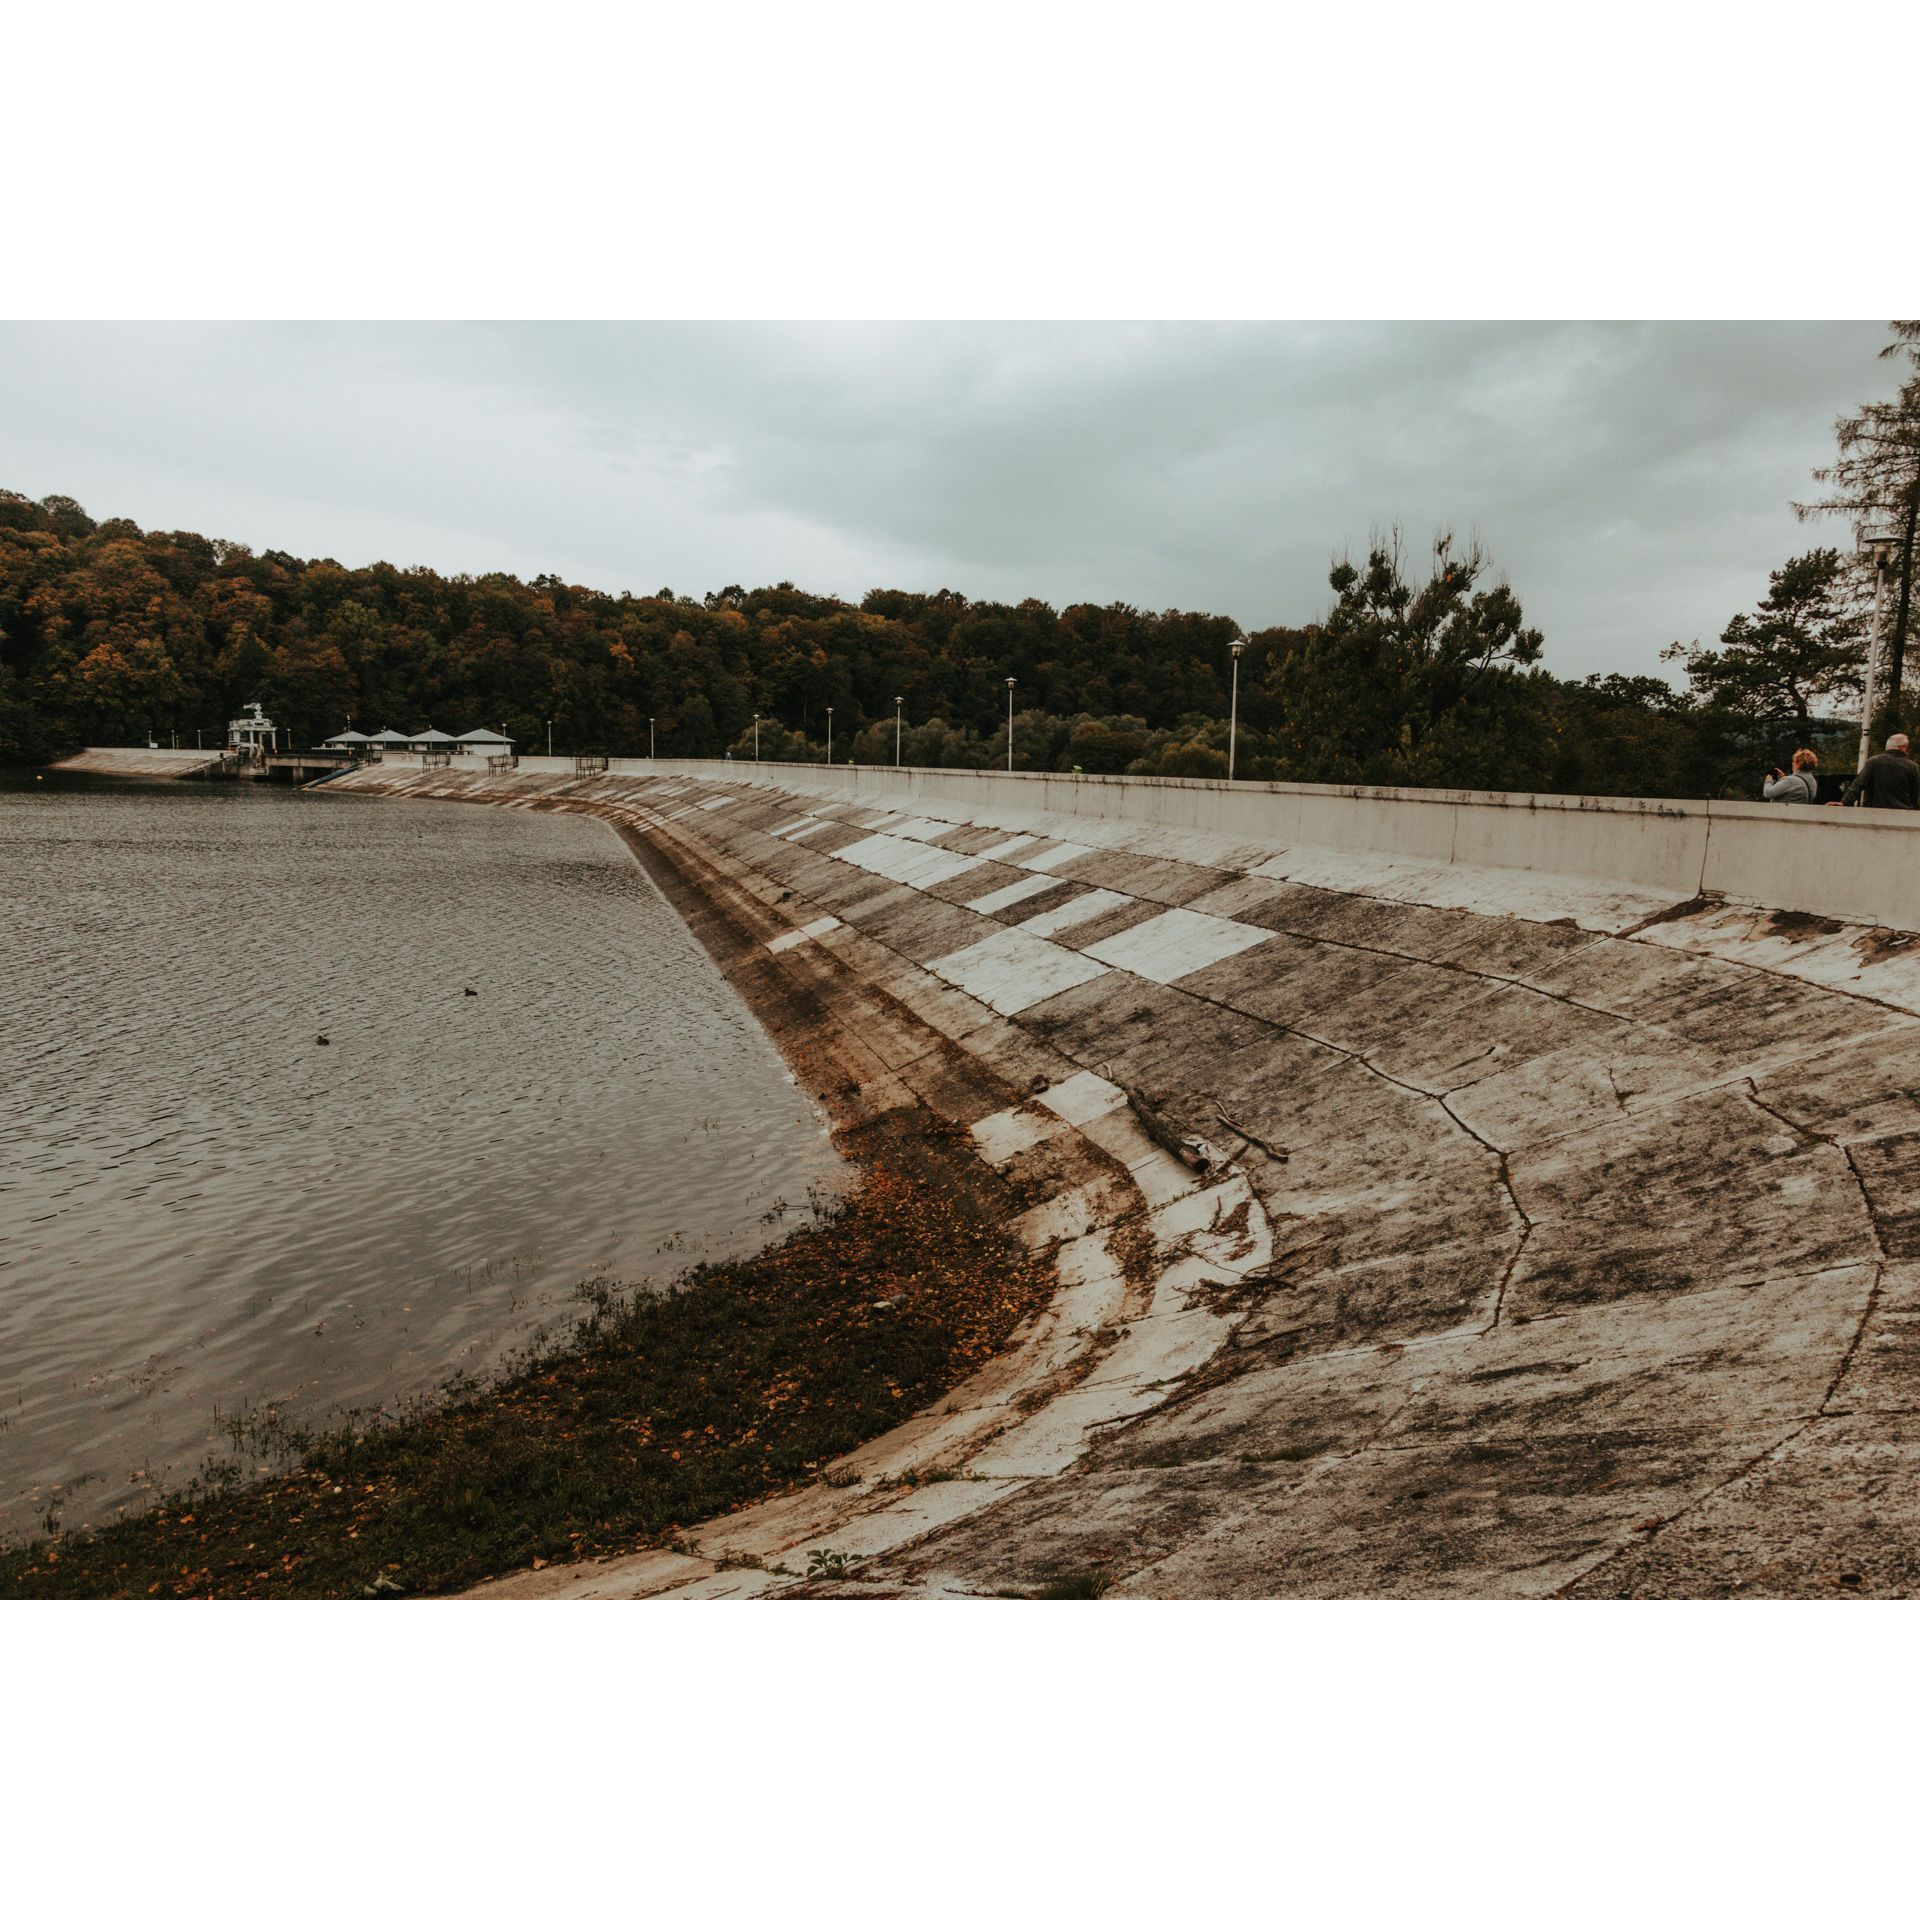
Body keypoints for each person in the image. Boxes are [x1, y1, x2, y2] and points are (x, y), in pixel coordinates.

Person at [1829, 733, 1920, 809]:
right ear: (1901, 747)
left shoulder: (1873, 762)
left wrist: (1844, 802)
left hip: (1876, 813)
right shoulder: (1912, 766)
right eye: (1907, 747)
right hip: (1902, 813)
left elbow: (1858, 784)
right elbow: (1915, 794)